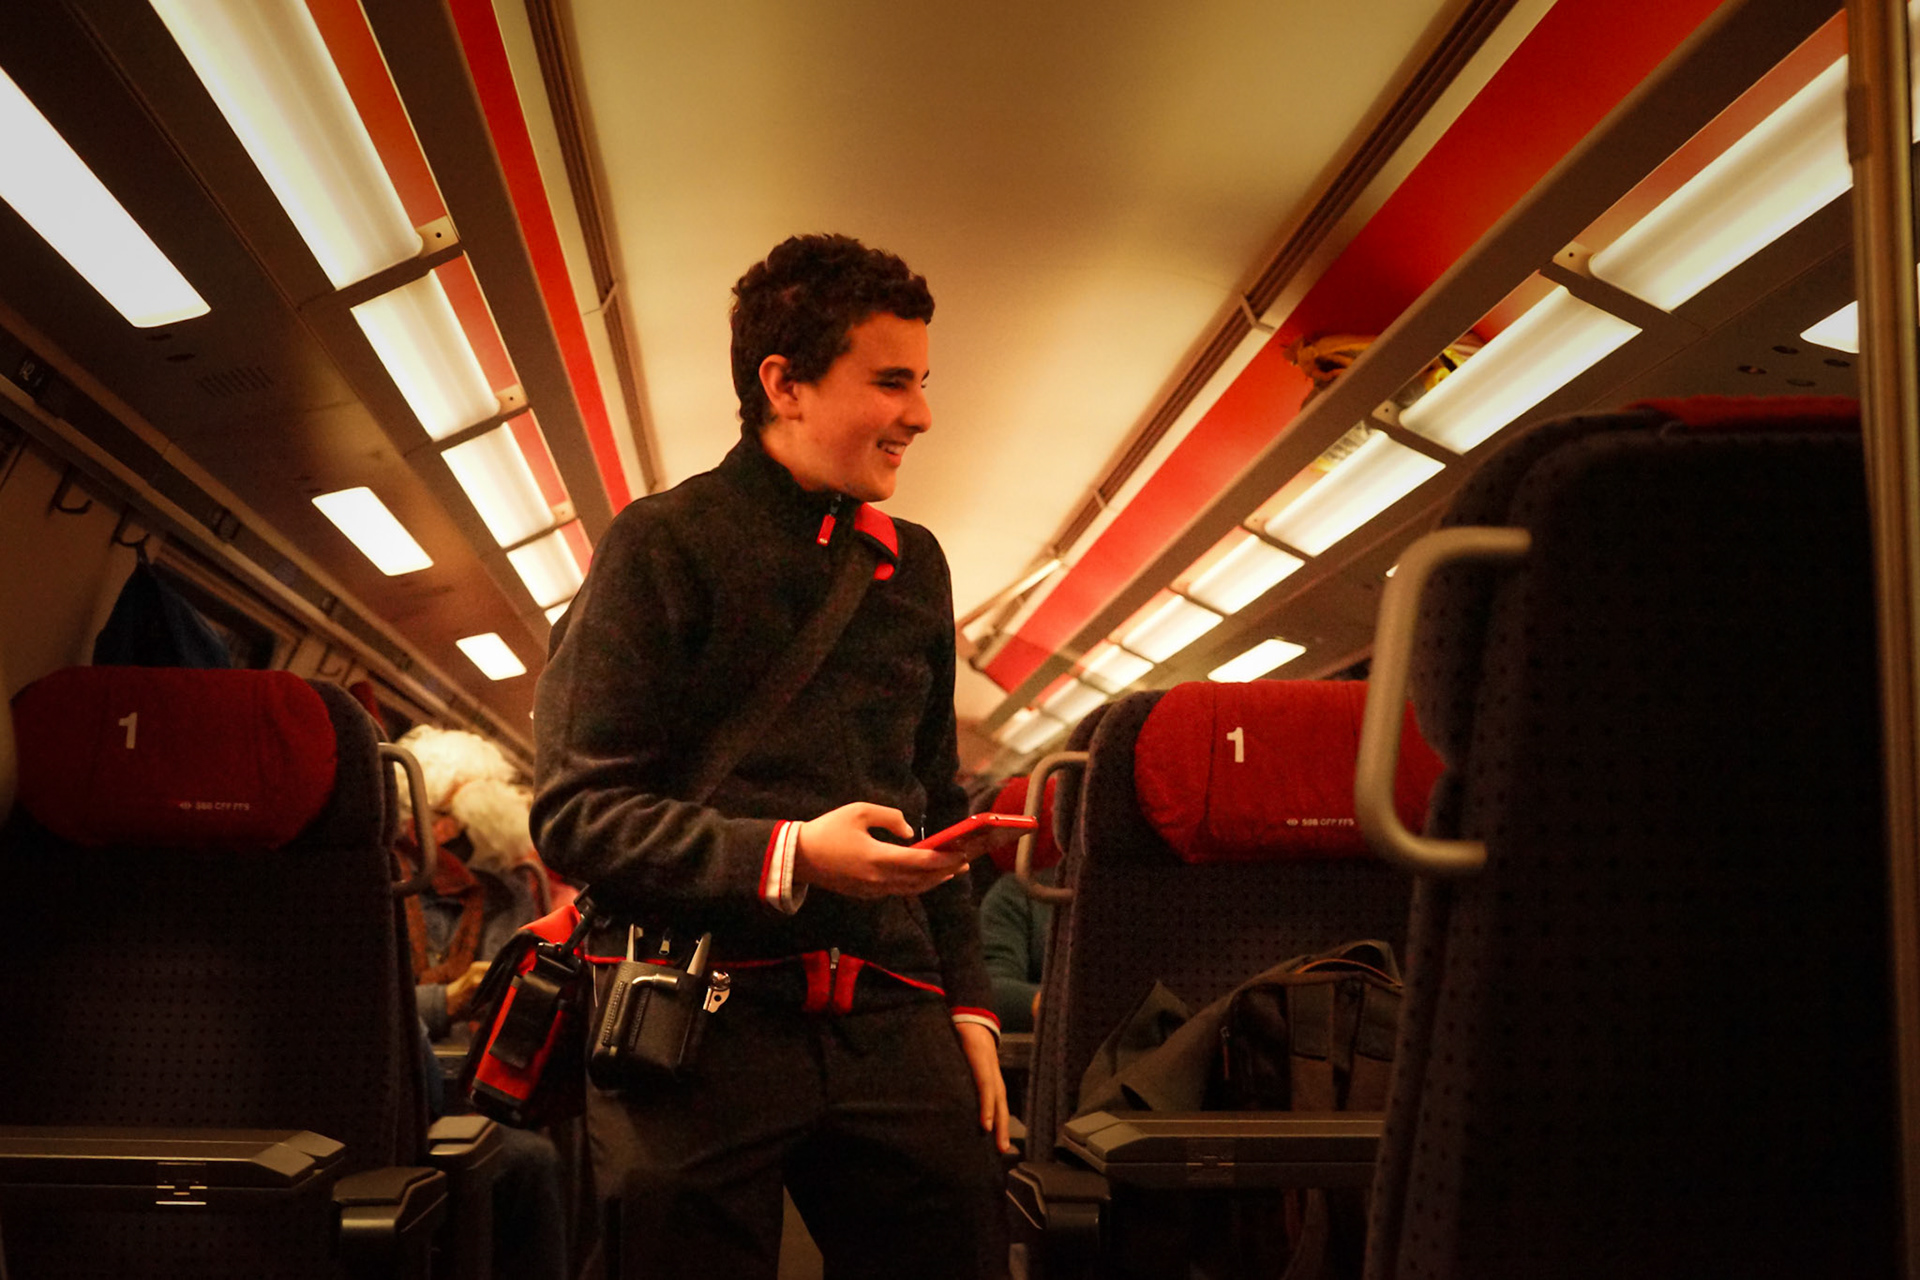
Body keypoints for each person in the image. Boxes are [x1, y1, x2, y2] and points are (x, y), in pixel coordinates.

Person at [532, 233, 1008, 1278]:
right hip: (695, 1005)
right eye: (891, 382)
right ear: (783, 384)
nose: (921, 414)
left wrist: (968, 1003)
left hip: (885, 1004)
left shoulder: (913, 566)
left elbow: (933, 797)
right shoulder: (663, 544)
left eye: (922, 383)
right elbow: (576, 812)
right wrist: (790, 853)